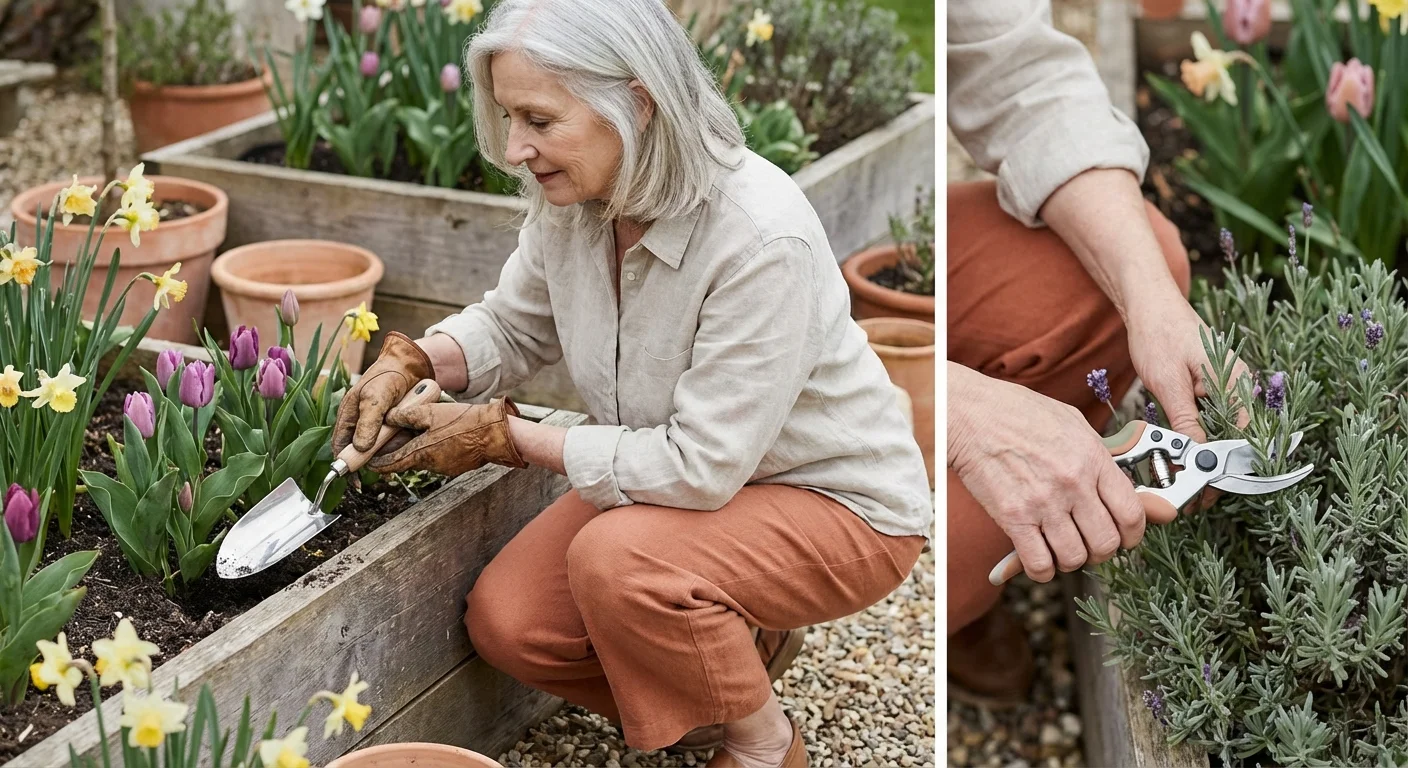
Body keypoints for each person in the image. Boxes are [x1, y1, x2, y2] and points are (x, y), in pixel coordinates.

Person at [330, 0, 934, 765]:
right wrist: (412, 360)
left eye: (539, 120)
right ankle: (731, 658)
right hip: (688, 489)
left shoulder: (758, 238)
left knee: (618, 560)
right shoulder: (582, 199)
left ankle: (763, 742)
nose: (516, 147)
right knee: (510, 623)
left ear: (637, 103)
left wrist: (505, 438)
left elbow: (699, 466)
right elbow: (516, 324)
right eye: (509, 117)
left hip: (832, 503)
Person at [946, 0, 1248, 705]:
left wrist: (1154, 303)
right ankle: (957, 593)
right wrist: (966, 416)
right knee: (952, 537)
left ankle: (983, 550)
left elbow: (1022, 77)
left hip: (818, 277)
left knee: (1147, 263)